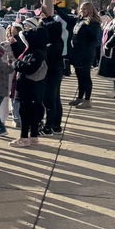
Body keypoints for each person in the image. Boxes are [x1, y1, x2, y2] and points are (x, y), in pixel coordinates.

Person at [9, 19, 48, 148]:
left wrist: (15, 64)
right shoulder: (33, 51)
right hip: (31, 88)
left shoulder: (37, 53)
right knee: (31, 113)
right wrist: (14, 46)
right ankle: (33, 136)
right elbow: (22, 58)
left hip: (30, 88)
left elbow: (30, 68)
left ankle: (24, 138)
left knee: (26, 113)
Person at [68, 2, 102, 107]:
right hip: (76, 53)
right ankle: (80, 97)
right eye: (81, 9)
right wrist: (57, 8)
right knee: (79, 77)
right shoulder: (80, 20)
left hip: (85, 54)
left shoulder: (92, 23)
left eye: (85, 9)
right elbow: (67, 19)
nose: (82, 11)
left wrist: (87, 52)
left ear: (90, 10)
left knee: (85, 77)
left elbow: (93, 40)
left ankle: (87, 100)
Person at [41, 7, 67, 136]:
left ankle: (48, 126)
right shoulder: (59, 40)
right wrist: (47, 16)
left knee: (49, 101)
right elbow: (54, 26)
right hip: (57, 73)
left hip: (50, 74)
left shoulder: (50, 47)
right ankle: (56, 125)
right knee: (56, 99)